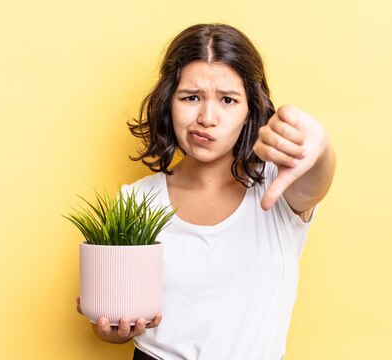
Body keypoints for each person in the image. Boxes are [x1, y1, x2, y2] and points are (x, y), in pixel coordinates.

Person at [76, 23, 336, 360]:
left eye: (228, 99)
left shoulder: (279, 186)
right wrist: (113, 330)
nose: (207, 117)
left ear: (249, 110)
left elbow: (315, 177)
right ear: (169, 101)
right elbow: (120, 320)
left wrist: (321, 146)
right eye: (191, 97)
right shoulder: (136, 200)